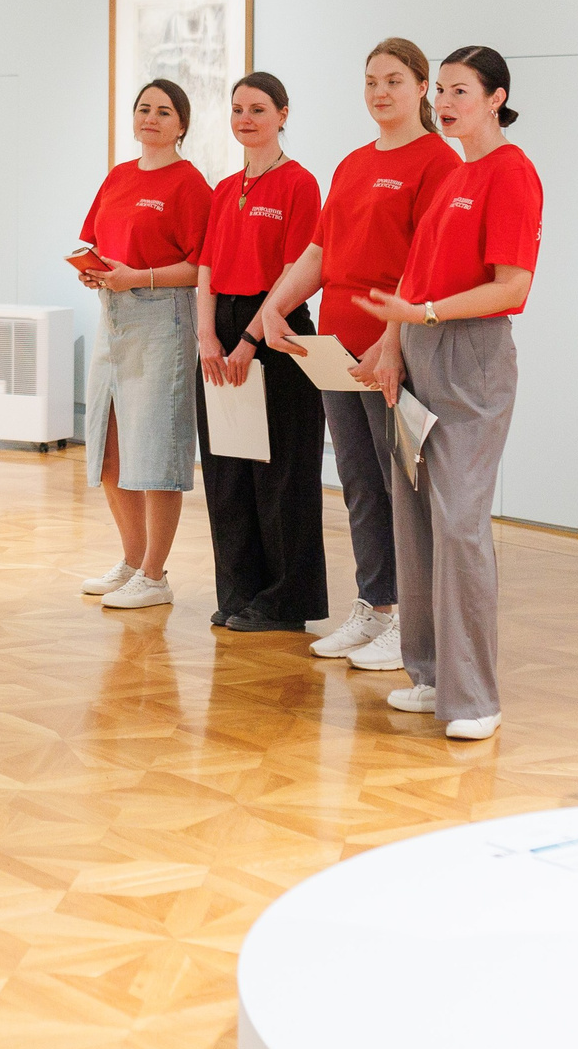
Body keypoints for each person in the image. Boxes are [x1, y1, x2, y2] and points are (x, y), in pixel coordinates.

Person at [256, 40, 460, 670]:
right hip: (335, 347)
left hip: (392, 347)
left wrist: (391, 343)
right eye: (370, 81)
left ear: (422, 87)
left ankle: (414, 621)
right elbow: (319, 253)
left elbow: (426, 269)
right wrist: (273, 306)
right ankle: (376, 604)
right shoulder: (350, 164)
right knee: (359, 482)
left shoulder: (438, 163)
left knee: (403, 483)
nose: (380, 92)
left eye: (394, 80)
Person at [359, 45, 542, 741]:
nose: (446, 102)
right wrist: (389, 348)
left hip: (472, 355)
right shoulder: (454, 174)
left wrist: (427, 318)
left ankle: (474, 696)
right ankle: (429, 670)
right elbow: (413, 274)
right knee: (416, 515)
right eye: (442, 90)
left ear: (496, 97)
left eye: (460, 90)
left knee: (461, 520)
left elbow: (512, 285)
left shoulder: (512, 172)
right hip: (417, 350)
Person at [195, 72, 327, 633]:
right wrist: (207, 336)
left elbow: (296, 271)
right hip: (220, 333)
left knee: (281, 476)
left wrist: (250, 339)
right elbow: (205, 268)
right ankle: (240, 592)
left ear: (283, 114)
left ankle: (286, 601)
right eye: (237, 109)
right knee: (228, 473)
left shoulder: (299, 183)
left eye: (258, 108)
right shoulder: (225, 189)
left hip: (276, 331)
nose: (245, 118)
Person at [75, 78, 211, 611]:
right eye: (143, 109)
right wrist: (95, 271)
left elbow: (200, 266)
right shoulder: (119, 176)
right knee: (110, 447)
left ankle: (155, 574)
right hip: (114, 318)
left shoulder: (189, 184)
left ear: (181, 124)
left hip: (162, 323)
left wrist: (141, 278)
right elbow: (96, 240)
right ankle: (131, 561)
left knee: (154, 449)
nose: (150, 118)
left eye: (163, 111)